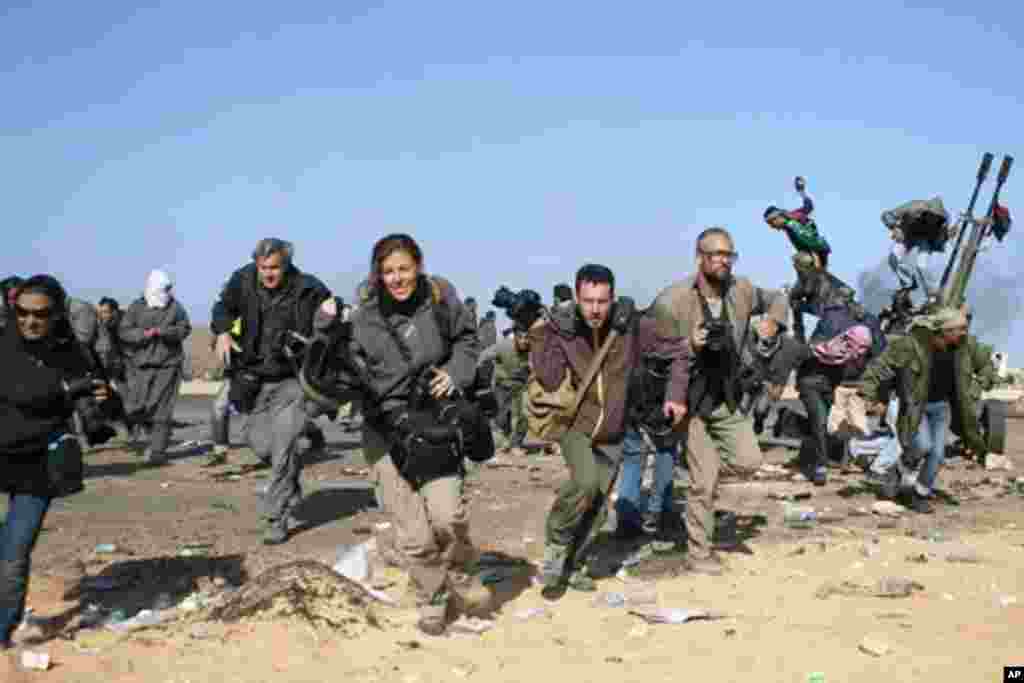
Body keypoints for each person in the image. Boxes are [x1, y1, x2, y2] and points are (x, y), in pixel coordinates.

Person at [345, 233, 478, 636]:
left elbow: (468, 341)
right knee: (414, 534)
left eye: (404, 268)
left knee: (448, 517)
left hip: (434, 423)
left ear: (418, 266)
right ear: (377, 274)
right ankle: (433, 599)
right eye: (388, 271)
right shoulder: (363, 318)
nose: (397, 278)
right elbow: (344, 372)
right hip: (385, 431)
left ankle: (460, 576)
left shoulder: (440, 299)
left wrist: (455, 373)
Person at [530, 264, 689, 600]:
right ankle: (556, 545)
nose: (595, 310)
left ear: (612, 298)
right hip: (577, 427)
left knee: (599, 504)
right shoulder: (565, 330)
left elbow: (678, 351)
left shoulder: (632, 327)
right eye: (588, 301)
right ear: (577, 298)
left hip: (614, 430)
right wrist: (540, 335)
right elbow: (548, 377)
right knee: (585, 483)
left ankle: (573, 566)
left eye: (602, 301)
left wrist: (676, 395)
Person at [649, 227, 788, 574]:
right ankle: (699, 553)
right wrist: (689, 345)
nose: (724, 261)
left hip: (725, 397)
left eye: (729, 255)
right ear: (700, 258)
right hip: (690, 401)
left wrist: (773, 320)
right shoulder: (673, 300)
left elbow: (779, 297)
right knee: (703, 484)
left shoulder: (741, 290)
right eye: (717, 254)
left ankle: (702, 479)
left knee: (750, 461)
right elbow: (652, 352)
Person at [1, 275, 111, 654]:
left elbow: (104, 404)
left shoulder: (73, 353)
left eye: (40, 314)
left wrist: (101, 399)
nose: (30, 321)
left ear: (56, 315)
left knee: (13, 553)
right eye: (23, 313)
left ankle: (2, 630)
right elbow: (20, 390)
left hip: (39, 462)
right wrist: (67, 389)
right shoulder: (2, 345)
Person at [210, 239, 333, 544]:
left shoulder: (307, 288)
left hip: (291, 381)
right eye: (263, 267)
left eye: (275, 267)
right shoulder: (243, 280)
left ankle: (275, 518)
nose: (268, 273)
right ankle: (290, 480)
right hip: (252, 381)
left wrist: (333, 313)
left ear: (286, 264)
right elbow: (221, 307)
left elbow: (331, 314)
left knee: (283, 447)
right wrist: (223, 330)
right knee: (263, 446)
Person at [859, 306, 994, 512]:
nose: (965, 333)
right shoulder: (911, 345)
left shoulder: (966, 347)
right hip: (916, 407)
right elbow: (879, 367)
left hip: (943, 408)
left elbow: (987, 367)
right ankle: (901, 470)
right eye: (961, 329)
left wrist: (976, 387)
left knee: (938, 455)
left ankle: (919, 494)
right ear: (946, 331)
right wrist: (869, 394)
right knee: (922, 445)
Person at [118, 270, 191, 464]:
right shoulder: (136, 307)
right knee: (136, 406)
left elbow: (185, 328)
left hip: (168, 364)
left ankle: (158, 452)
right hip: (140, 365)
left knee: (162, 410)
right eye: (163, 288)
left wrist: (164, 332)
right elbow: (124, 331)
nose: (167, 291)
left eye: (168, 288)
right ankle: (140, 432)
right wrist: (143, 334)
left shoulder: (175, 307)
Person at [881, 197, 951, 299]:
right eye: (932, 216)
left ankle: (932, 295)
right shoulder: (913, 207)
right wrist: (895, 228)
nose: (933, 220)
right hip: (906, 234)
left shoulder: (944, 221)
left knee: (922, 266)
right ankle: (908, 282)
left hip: (925, 239)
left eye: (937, 218)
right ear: (927, 211)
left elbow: (942, 238)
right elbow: (886, 215)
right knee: (893, 258)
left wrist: (946, 237)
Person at [479, 327, 531, 450]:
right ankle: (504, 440)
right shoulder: (503, 346)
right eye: (521, 338)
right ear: (515, 338)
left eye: (526, 338)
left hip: (521, 387)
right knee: (501, 418)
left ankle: (516, 443)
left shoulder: (532, 348)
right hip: (502, 387)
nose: (524, 341)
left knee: (524, 415)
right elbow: (483, 356)